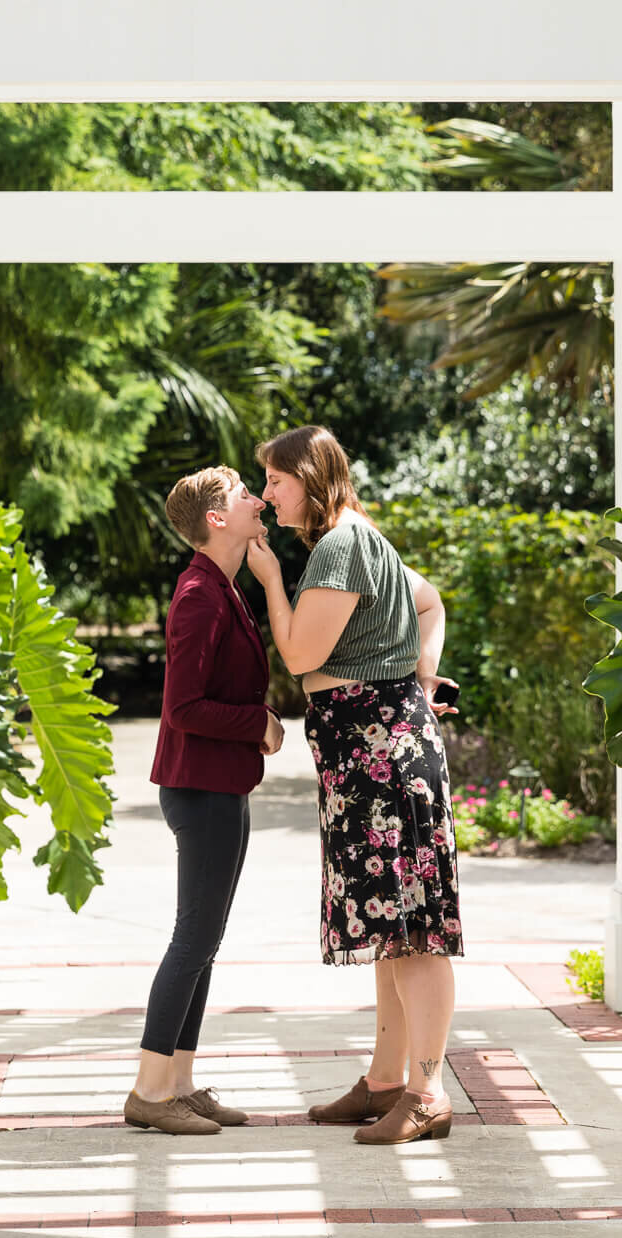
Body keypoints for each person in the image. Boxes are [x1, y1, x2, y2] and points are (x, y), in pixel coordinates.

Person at [245, 425, 463, 1146]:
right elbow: (429, 605)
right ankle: (385, 1081)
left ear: (308, 477)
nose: (267, 493)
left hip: (382, 755)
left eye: (275, 479)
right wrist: (425, 678)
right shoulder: (363, 538)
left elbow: (302, 650)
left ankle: (428, 1091)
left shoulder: (340, 544)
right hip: (372, 750)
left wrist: (272, 580)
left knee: (415, 930)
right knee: (393, 928)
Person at [125, 465, 285, 1136]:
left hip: (221, 785)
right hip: (200, 788)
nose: (257, 499)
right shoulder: (199, 594)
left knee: (204, 939)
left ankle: (180, 1083)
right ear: (216, 519)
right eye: (243, 493)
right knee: (192, 938)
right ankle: (148, 1091)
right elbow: (184, 706)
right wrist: (261, 725)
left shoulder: (221, 586)